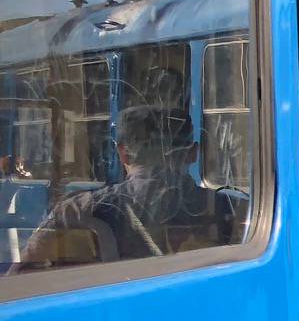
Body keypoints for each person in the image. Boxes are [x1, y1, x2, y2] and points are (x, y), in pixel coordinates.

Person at [21, 90, 244, 268]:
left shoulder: (75, 212)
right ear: (193, 153)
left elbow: (24, 280)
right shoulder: (236, 213)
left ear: (123, 154)